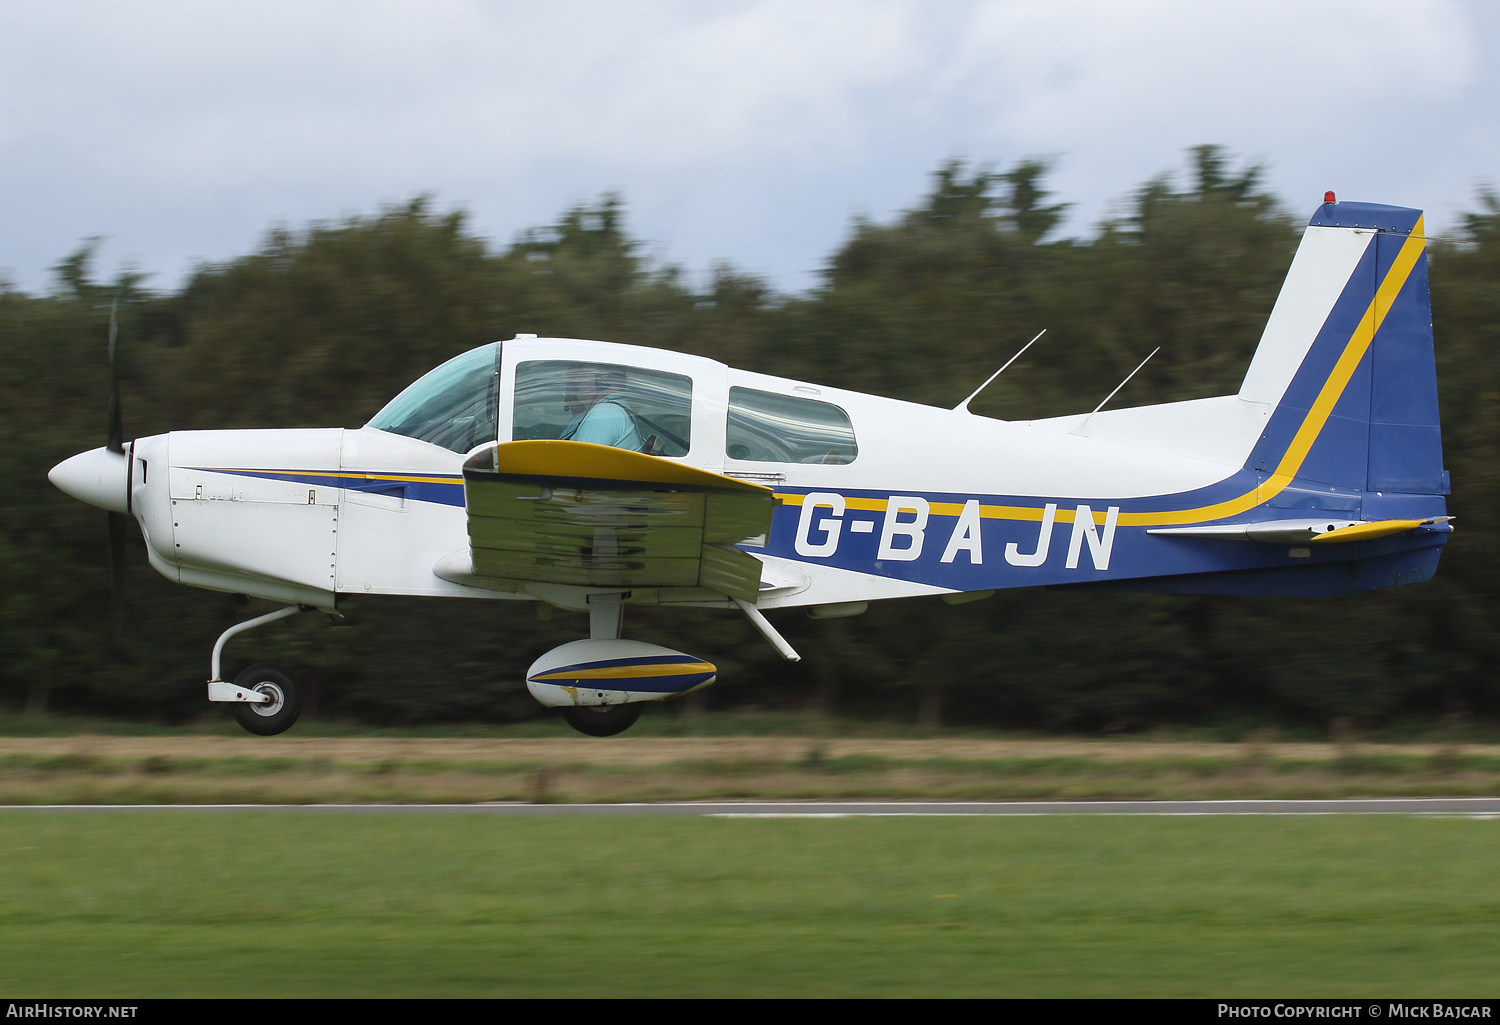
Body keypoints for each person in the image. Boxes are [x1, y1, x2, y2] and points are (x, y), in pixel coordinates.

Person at [558, 365, 643, 451]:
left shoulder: (604, 414)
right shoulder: (590, 414)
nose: (578, 382)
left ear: (602, 380)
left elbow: (582, 461)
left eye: (583, 375)